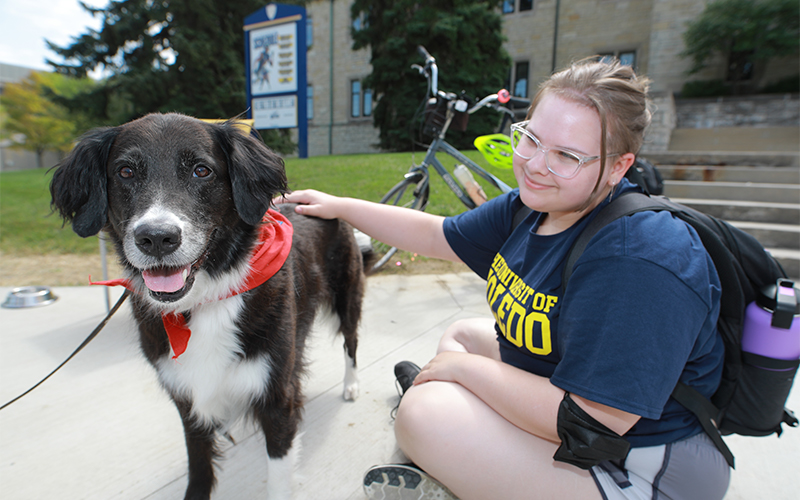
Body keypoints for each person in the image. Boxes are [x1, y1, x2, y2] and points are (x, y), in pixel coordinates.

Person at [276, 58, 730, 500]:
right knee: (465, 334)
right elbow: (437, 234)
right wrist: (342, 206)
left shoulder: (639, 258)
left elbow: (593, 420)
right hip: (584, 428)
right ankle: (461, 455)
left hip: (640, 470)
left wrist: (463, 372)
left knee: (421, 412)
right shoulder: (534, 208)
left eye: (566, 156)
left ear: (618, 166)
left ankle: (445, 460)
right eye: (530, 138)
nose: (534, 164)